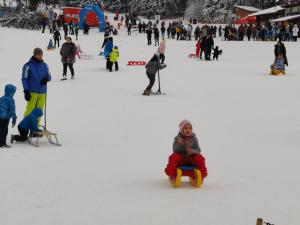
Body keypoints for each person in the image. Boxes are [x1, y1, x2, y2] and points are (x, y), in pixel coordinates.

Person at [22, 48, 51, 125]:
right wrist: (26, 90)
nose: (40, 56)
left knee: (39, 111)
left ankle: (35, 128)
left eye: (41, 54)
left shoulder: (45, 65)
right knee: (30, 110)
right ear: (34, 55)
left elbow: (49, 75)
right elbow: (24, 79)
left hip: (42, 92)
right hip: (32, 92)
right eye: (38, 55)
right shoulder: (28, 65)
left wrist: (46, 78)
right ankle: (25, 128)